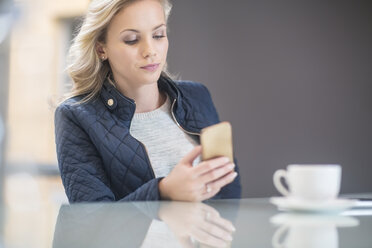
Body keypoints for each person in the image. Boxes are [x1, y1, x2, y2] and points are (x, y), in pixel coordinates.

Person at [55, 0, 241, 203]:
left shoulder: (197, 97)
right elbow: (91, 220)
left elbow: (229, 192)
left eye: (158, 35)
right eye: (132, 40)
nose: (150, 51)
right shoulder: (76, 116)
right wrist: (163, 191)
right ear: (101, 49)